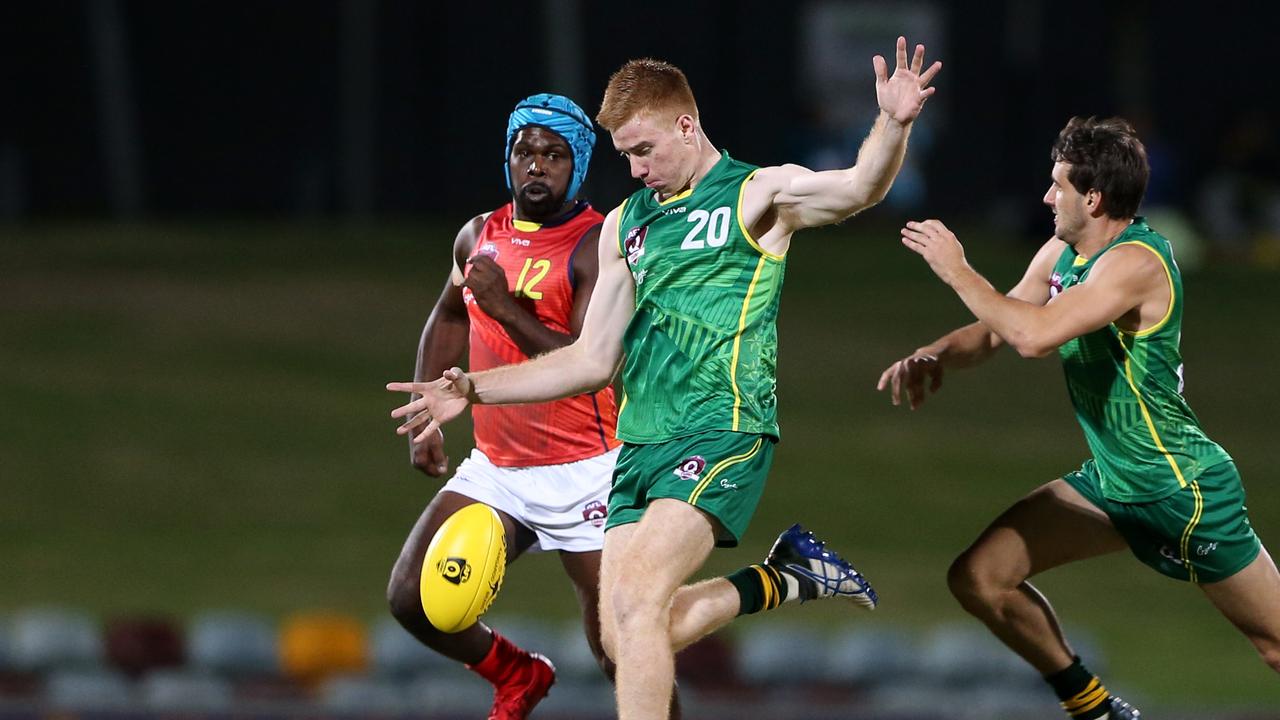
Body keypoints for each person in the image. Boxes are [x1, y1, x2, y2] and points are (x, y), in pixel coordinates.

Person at [391, 38, 942, 720]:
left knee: (635, 601)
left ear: (687, 126)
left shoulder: (756, 195)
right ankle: (784, 577)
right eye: (624, 154)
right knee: (623, 635)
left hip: (722, 429)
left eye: (643, 150)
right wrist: (471, 389)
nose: (634, 167)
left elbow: (861, 187)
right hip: (640, 446)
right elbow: (590, 361)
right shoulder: (628, 224)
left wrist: (893, 124)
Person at [879, 116, 1280, 720]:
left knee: (1274, 645)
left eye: (1057, 185)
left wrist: (957, 267)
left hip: (1180, 489)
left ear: (1092, 198)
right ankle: (1094, 708)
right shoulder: (1064, 251)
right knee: (980, 577)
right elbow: (998, 327)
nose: (1046, 196)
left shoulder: (1136, 263)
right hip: (1114, 485)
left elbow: (1033, 337)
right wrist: (934, 353)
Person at [385, 93, 633, 720]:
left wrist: (502, 306)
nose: (537, 167)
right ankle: (518, 674)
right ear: (508, 159)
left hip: (588, 470)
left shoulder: (598, 244)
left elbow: (584, 363)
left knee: (620, 650)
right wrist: (423, 422)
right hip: (499, 468)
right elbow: (447, 314)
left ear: (577, 166)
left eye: (554, 155)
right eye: (525, 152)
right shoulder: (478, 235)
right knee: (411, 598)